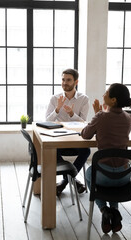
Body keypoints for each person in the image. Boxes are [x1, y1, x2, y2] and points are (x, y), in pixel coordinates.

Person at [81, 83, 131, 234]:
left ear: (113, 100)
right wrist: (99, 114)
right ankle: (114, 211)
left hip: (103, 176)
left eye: (106, 93)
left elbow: (85, 135)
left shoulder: (101, 116)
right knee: (114, 180)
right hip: (124, 175)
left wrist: (97, 115)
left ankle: (104, 210)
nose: (103, 95)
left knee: (88, 174)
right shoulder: (128, 118)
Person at [45, 68, 90, 196]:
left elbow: (83, 123)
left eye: (68, 80)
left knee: (86, 151)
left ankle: (64, 182)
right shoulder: (55, 98)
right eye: (63, 80)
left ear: (76, 82)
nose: (65, 83)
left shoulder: (83, 99)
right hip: (59, 139)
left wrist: (72, 114)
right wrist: (58, 109)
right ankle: (73, 181)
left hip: (75, 139)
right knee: (52, 151)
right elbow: (47, 120)